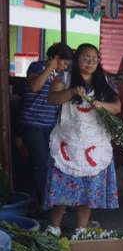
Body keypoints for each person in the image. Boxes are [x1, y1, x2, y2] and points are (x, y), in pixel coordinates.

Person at [45, 44, 120, 236]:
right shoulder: (65, 78)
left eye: (94, 59)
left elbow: (117, 107)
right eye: (86, 58)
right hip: (68, 140)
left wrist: (101, 105)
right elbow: (52, 99)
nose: (90, 62)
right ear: (77, 59)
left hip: (94, 143)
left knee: (88, 188)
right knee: (62, 185)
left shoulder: (105, 82)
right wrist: (70, 93)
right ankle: (54, 226)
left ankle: (81, 229)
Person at [20, 43, 73, 207]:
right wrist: (50, 68)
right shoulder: (37, 66)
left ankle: (54, 201)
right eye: (63, 63)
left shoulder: (62, 75)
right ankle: (47, 204)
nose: (65, 67)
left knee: (54, 163)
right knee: (42, 163)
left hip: (51, 126)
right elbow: (35, 86)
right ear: (55, 58)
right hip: (33, 123)